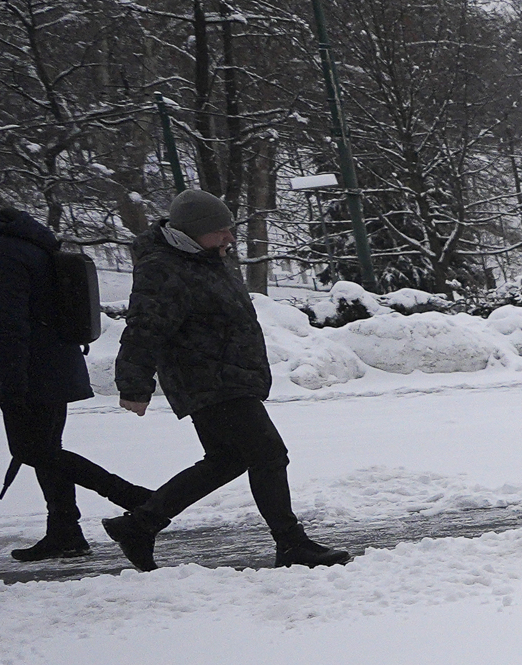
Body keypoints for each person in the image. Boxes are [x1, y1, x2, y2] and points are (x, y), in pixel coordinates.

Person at [102, 189, 350, 570]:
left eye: (229, 229)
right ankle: (291, 543)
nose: (229, 238)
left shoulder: (204, 257)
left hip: (228, 375)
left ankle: (140, 525)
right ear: (193, 231)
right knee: (268, 455)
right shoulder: (164, 267)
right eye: (220, 231)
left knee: (227, 460)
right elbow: (145, 328)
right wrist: (134, 384)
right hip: (207, 378)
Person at [0, 176, 153, 560]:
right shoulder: (19, 240)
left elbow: (5, 321)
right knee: (47, 449)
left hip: (27, 370)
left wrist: (10, 381)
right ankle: (65, 530)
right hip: (51, 363)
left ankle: (136, 498)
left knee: (33, 450)